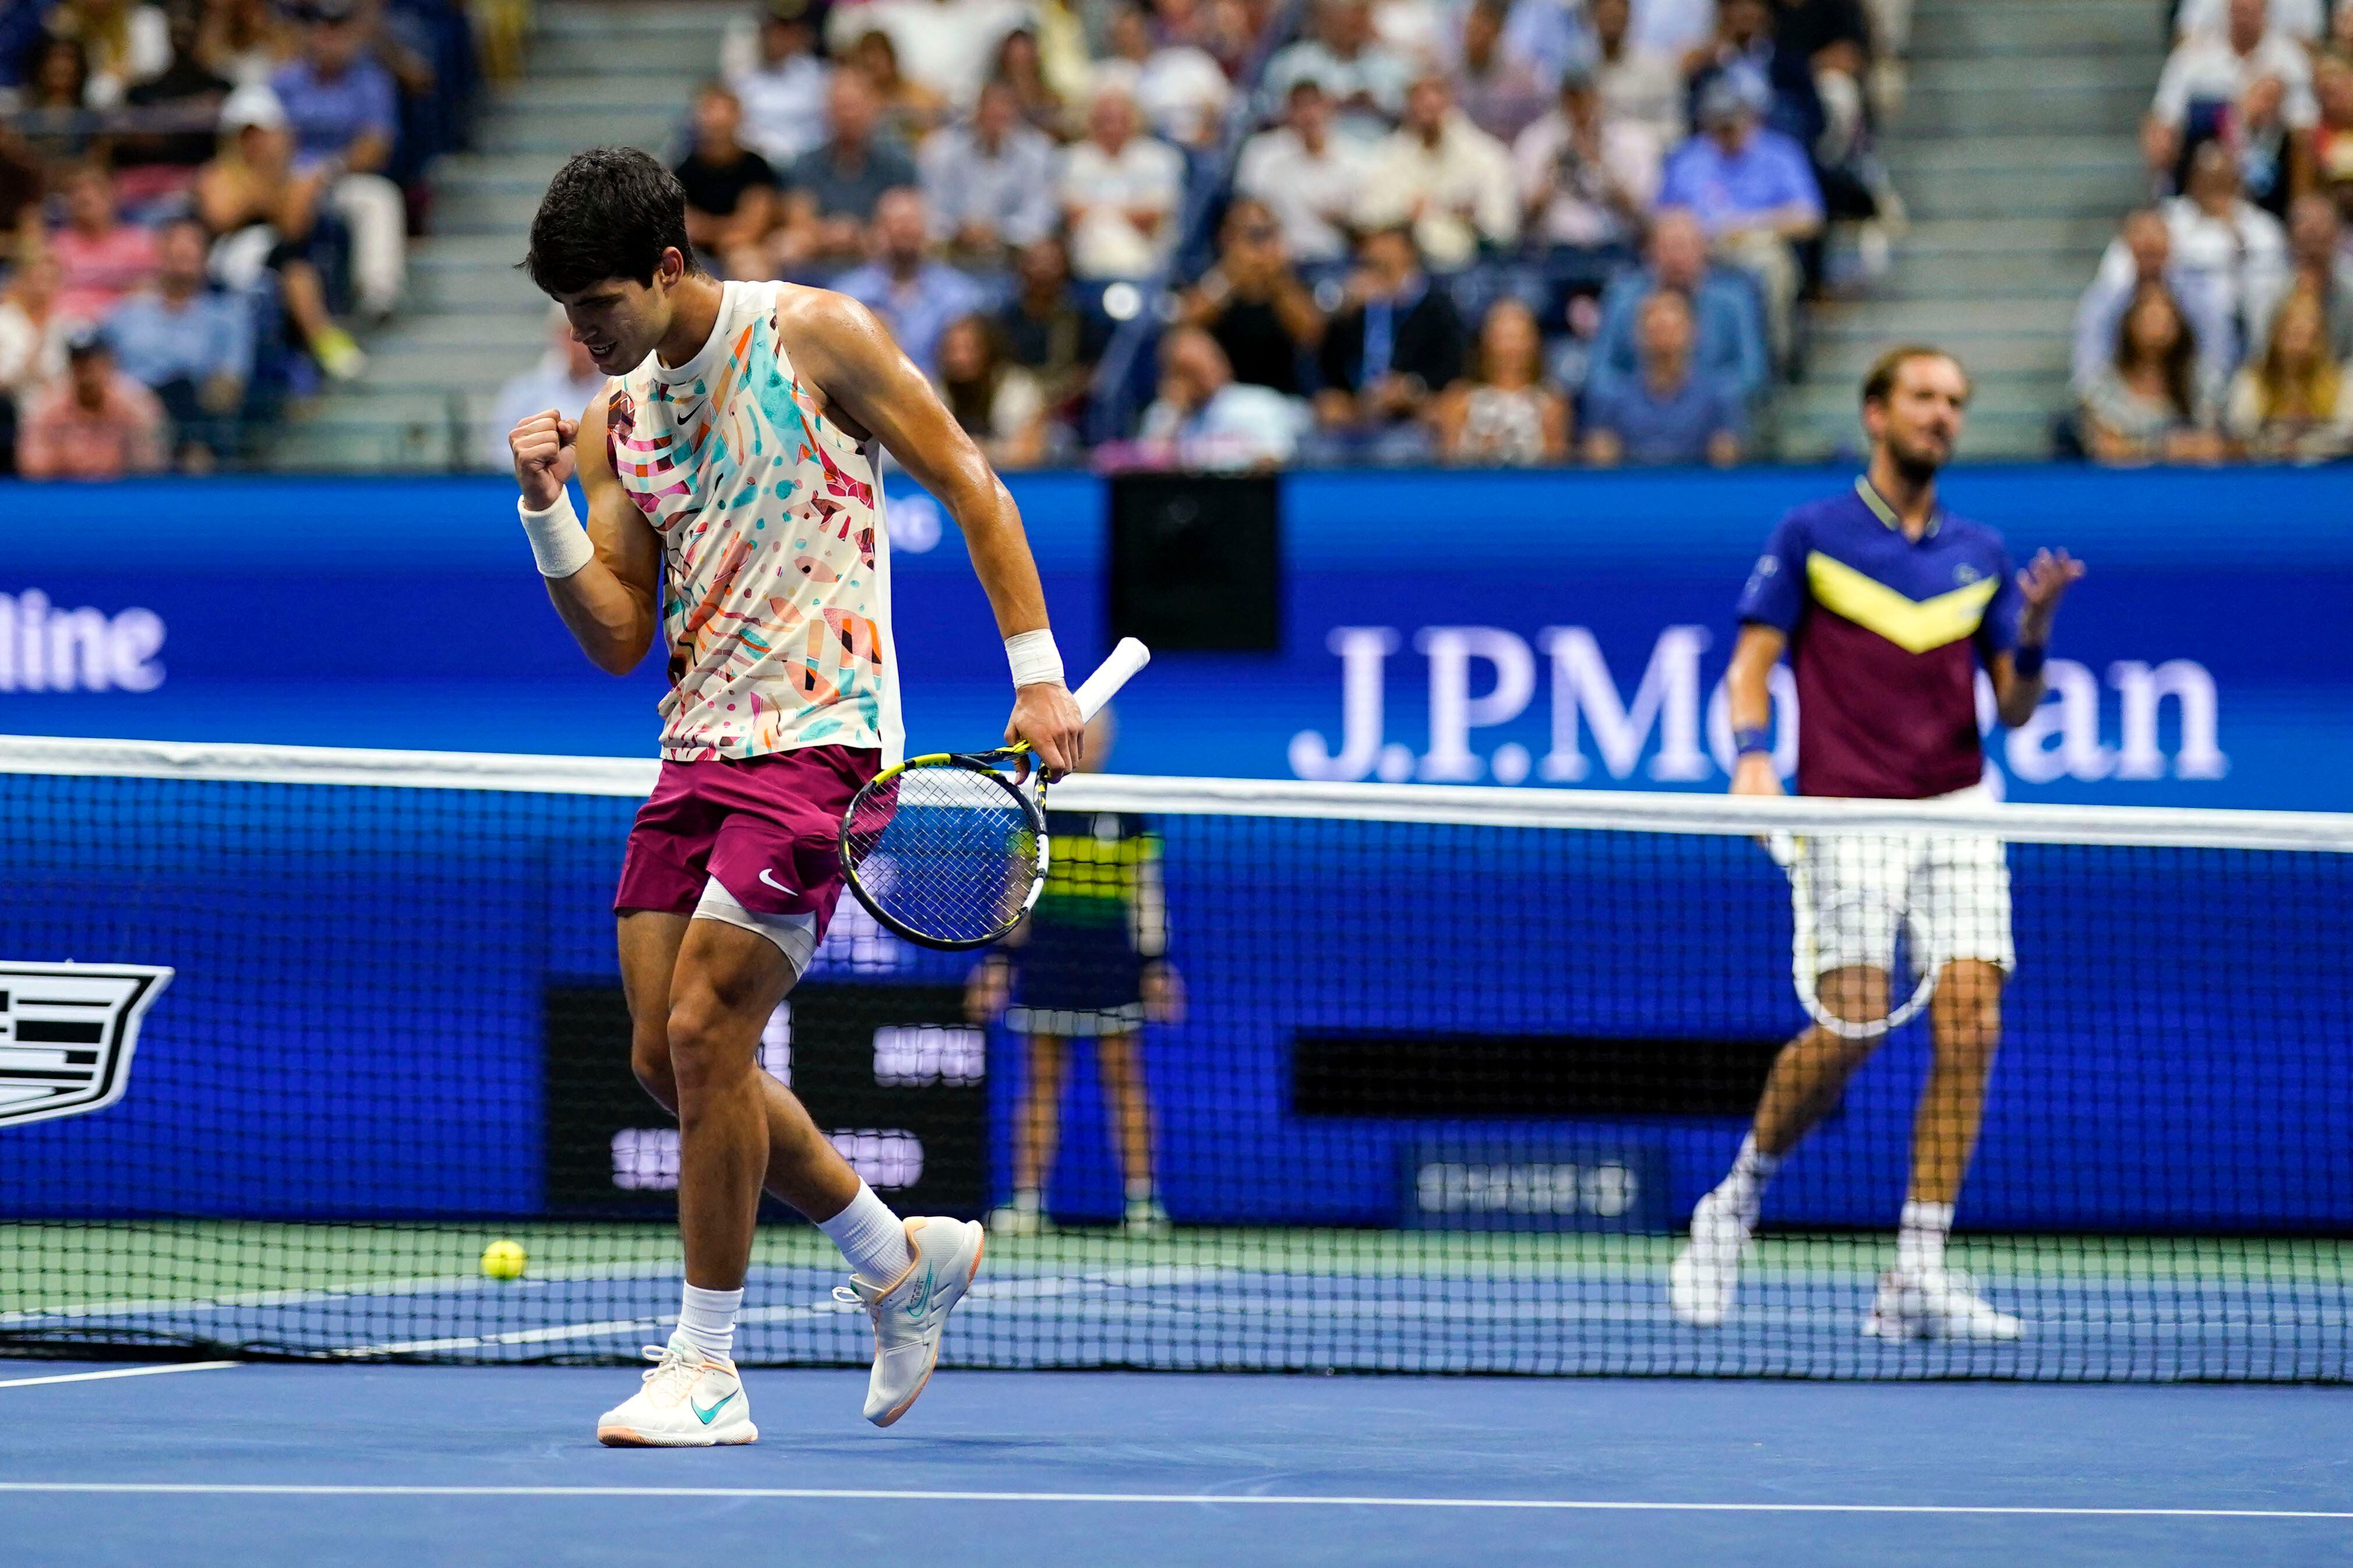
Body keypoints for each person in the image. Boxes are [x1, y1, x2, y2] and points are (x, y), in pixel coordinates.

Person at [509, 146, 1082, 1443]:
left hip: (824, 740)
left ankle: (705, 1368)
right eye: (565, 311)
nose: (582, 333)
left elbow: (970, 480)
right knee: (664, 1056)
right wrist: (547, 508)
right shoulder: (621, 420)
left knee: (710, 1028)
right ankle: (897, 1255)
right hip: (695, 747)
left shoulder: (816, 335)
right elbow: (613, 633)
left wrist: (1037, 677)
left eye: (598, 304)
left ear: (668, 268)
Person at [1671, 345, 2087, 1343]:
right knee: (1852, 1024)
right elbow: (1748, 664)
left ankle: (1914, 1272)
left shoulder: (1980, 551)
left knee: (1971, 1024)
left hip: (1956, 806)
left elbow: (2016, 712)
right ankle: (1733, 1199)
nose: (1939, 414)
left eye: (1953, 400)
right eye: (1921, 397)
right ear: (1874, 412)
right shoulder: (1809, 535)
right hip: (1845, 810)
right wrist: (1751, 753)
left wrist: (2030, 631)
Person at [967, 707, 1181, 1238]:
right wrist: (999, 962)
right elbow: (1018, 890)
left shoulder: (1128, 811)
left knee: (1126, 1082)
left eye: (1100, 738)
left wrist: (1154, 965)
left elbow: (1145, 894)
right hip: (1048, 960)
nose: (1092, 746)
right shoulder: (1038, 807)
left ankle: (1142, 1204)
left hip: (1112, 963)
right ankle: (1026, 1202)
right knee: (1040, 1085)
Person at [196, 83, 368, 382]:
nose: (254, 143)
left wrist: (271, 185)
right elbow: (221, 216)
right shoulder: (215, 175)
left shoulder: (295, 175)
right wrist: (267, 189)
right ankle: (322, 338)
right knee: (294, 270)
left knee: (296, 267)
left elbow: (292, 226)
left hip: (278, 257)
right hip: (230, 262)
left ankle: (322, 341)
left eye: (261, 133)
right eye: (246, 135)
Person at [1656, 66, 1822, 362]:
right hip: (1698, 246)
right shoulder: (1688, 158)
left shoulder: (1779, 153)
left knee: (1772, 268)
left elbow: (1809, 217)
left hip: (1756, 244)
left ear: (1750, 117)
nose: (1726, 132)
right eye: (1718, 124)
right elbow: (1662, 215)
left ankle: (1774, 359)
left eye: (1732, 123)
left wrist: (1751, 226)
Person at [268, 0, 405, 319]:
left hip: (340, 176)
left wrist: (328, 171)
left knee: (378, 198)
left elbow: (377, 143)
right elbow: (266, 134)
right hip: (287, 179)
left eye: (338, 30)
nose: (330, 38)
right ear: (310, 33)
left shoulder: (371, 80)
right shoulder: (285, 80)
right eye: (323, 30)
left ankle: (379, 293)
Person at [102, 215, 252, 468]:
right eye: (175, 245)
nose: (183, 252)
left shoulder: (228, 315)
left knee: (182, 388)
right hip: (130, 413)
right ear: (161, 254)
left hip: (195, 411)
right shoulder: (125, 313)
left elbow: (231, 382)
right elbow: (102, 374)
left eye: (192, 246)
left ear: (205, 257)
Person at [1588, 209, 1769, 406]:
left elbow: (1752, 373)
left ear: (1703, 250)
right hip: (1635, 415)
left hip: (1712, 415)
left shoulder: (1733, 299)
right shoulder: (1623, 297)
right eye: (1668, 248)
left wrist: (1699, 400)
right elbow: (1600, 372)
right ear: (1650, 252)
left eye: (1685, 247)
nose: (1677, 258)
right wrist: (1642, 400)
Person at [1314, 224, 1466, 458]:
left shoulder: (1437, 307)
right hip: (1357, 413)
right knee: (1320, 451)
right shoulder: (1356, 306)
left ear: (1408, 251)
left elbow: (1451, 369)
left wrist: (1413, 389)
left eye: (1386, 243)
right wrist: (1344, 313)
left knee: (1395, 451)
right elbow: (1327, 364)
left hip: (1412, 417)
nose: (1376, 251)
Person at [2072, 206, 2236, 410]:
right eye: (2140, 235)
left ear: (2170, 241)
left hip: (2189, 402)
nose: (2149, 244)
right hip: (2121, 407)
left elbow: (2218, 355)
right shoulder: (2103, 300)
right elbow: (2089, 368)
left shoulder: (2200, 295)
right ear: (2126, 243)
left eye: (2157, 235)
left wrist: (2203, 406)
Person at [1353, 73, 1518, 273]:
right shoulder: (1388, 155)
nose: (1427, 104)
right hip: (1408, 269)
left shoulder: (1486, 156)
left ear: (1450, 101)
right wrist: (1405, 214)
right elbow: (1366, 218)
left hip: (1474, 265)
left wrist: (1474, 219)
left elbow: (1504, 230)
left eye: (1435, 96)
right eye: (1419, 97)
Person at [2146, 0, 2315, 185]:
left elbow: (2304, 123)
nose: (2245, 17)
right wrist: (2238, 113)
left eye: (2252, 10)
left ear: (2266, 9)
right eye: (2240, 9)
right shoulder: (2192, 56)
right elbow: (2165, 117)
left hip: (2270, 163)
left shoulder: (2290, 58)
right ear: (2227, 8)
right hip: (2202, 161)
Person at [1512, 61, 1664, 257]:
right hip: (1554, 252)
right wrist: (1555, 168)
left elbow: (1644, 219)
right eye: (1572, 97)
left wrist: (1600, 165)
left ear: (1599, 96)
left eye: (1587, 95)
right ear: (1561, 98)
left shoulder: (1631, 141)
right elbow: (1524, 219)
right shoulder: (1536, 140)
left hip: (1617, 249)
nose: (1580, 105)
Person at [830, 186, 986, 377]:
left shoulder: (960, 294)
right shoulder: (847, 295)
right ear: (877, 230)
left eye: (912, 222)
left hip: (944, 396)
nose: (905, 231)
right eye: (896, 223)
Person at [1175, 196, 1324, 395]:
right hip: (1221, 398)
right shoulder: (1213, 279)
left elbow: (1311, 334)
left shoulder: (1290, 282)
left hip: (1279, 399)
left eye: (1265, 234)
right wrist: (1231, 274)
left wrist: (1276, 277)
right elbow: (1186, 324)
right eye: (1249, 234)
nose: (1257, 245)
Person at [777, 70, 922, 273]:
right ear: (827, 113)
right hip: (819, 251)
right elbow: (798, 219)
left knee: (895, 239)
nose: (849, 115)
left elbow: (905, 221)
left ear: (873, 110)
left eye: (855, 107)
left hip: (875, 252)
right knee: (788, 244)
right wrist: (831, 234)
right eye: (841, 108)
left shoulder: (897, 164)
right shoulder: (806, 164)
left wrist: (855, 234)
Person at [1582, 287, 1744, 466]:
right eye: (1656, 329)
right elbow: (1600, 461)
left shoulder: (1717, 397)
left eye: (1672, 329)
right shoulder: (1613, 397)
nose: (1664, 339)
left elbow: (1726, 461)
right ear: (1638, 334)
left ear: (1693, 332)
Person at [2081, 279, 2229, 465]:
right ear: (2130, 323)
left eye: (2166, 315)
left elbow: (2214, 445)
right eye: (2149, 315)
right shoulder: (2103, 386)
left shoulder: (2200, 384)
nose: (2158, 323)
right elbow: (2108, 449)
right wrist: (2163, 450)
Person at [1235, 78, 1372, 267]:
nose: (1309, 115)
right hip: (1279, 259)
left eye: (1315, 105)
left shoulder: (1357, 158)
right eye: (1300, 107)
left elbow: (1369, 222)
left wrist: (1346, 220)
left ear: (1330, 109)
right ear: (1288, 112)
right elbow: (1246, 211)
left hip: (1339, 258)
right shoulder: (1262, 153)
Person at [918, 77, 1058, 261]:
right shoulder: (940, 150)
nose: (997, 117)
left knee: (1044, 255)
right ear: (976, 111)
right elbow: (929, 205)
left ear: (1016, 113)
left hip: (1013, 254)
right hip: (952, 250)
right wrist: (958, 230)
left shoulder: (1038, 152)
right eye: (990, 110)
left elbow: (1041, 211)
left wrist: (1000, 232)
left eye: (1005, 110)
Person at [1058, 84, 1186, 280]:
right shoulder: (1073, 159)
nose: (1113, 128)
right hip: (1088, 264)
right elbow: (1072, 215)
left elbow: (1152, 216)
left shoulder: (1160, 158)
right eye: (1105, 121)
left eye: (1121, 120)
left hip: (1146, 262)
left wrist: (1097, 213)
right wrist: (1123, 214)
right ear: (1090, 123)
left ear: (1135, 121)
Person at [1135, 324, 1309, 468]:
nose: (1202, 375)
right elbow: (1146, 470)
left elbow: (1276, 461)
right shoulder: (1163, 414)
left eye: (1208, 361)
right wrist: (1174, 415)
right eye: (1188, 370)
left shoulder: (1259, 403)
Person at [1433, 295, 1569, 465]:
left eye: (1519, 337)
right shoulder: (1458, 400)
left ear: (1535, 343)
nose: (1511, 348)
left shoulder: (1551, 404)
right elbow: (1446, 469)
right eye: (1503, 337)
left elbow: (1557, 470)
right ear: (1485, 341)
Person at [17, 327, 170, 479]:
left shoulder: (135, 403)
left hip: (120, 492)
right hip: (65, 491)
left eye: (93, 363)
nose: (86, 372)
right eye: (79, 364)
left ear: (109, 363)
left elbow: (151, 464)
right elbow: (33, 466)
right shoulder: (47, 405)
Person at [2225, 281, 2353, 460]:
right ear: (2276, 332)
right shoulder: (2251, 382)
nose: (2299, 344)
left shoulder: (2343, 384)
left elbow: (2346, 438)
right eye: (2293, 332)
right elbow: (2238, 436)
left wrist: (2306, 444)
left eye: (2309, 334)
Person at [483, 302, 613, 471]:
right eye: (572, 333)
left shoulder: (621, 388)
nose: (581, 342)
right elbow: (498, 454)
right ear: (557, 336)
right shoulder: (523, 392)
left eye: (591, 333)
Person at [676, 82, 781, 281]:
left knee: (750, 264)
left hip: (746, 250)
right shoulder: (683, 170)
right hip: (694, 253)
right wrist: (726, 231)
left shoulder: (756, 167)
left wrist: (708, 230)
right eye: (709, 111)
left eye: (723, 114)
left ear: (738, 117)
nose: (716, 121)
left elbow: (752, 228)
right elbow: (685, 227)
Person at [725, 0, 834, 167]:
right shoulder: (742, 80)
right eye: (773, 32)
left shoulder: (821, 77)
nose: (779, 39)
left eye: (787, 32)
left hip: (810, 164)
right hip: (757, 164)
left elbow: (828, 129)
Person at [49, 163, 159, 326]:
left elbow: (152, 291)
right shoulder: (57, 246)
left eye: (96, 192)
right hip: (66, 324)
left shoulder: (138, 243)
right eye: (77, 194)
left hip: (122, 325)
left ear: (112, 198)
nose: (85, 197)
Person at [934, 311, 1049, 467]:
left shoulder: (1018, 389)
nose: (958, 359)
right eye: (952, 350)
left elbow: (1030, 451)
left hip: (1016, 481)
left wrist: (981, 451)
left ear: (988, 350)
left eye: (968, 349)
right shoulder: (934, 392)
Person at [1451, 0, 1549, 147]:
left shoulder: (1521, 80)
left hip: (1508, 156)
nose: (1476, 34)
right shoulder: (1449, 76)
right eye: (1472, 28)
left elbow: (1535, 132)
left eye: (1482, 27)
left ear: (1497, 30)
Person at [1592, 0, 1684, 146]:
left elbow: (1674, 128)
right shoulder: (1582, 71)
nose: (1611, 23)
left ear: (1629, 17)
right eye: (1606, 16)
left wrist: (1632, 137)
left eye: (1616, 16)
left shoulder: (1657, 67)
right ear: (1593, 18)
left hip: (1646, 155)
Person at [848, 28, 947, 146]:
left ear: (891, 59)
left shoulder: (917, 92)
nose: (875, 68)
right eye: (868, 64)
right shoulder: (856, 100)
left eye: (879, 60)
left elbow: (937, 115)